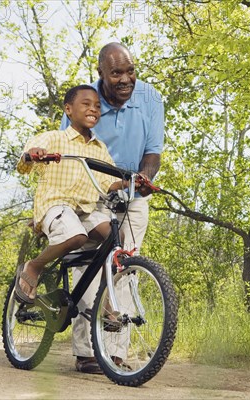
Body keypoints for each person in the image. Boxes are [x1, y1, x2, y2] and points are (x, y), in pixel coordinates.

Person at [60, 42, 165, 374]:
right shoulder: (86, 99)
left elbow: (153, 151)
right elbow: (70, 147)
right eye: (116, 72)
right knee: (89, 269)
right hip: (91, 191)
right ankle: (86, 352)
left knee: (125, 268)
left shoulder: (150, 98)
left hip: (132, 192)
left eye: (130, 71)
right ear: (101, 73)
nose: (125, 79)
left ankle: (115, 354)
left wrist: (143, 180)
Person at [14, 84, 125, 336]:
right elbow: (25, 160)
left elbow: (109, 182)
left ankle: (107, 303)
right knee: (76, 237)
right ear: (68, 109)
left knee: (116, 240)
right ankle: (34, 266)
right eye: (86, 104)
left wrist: (129, 181)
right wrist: (34, 154)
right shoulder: (55, 138)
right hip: (56, 204)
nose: (93, 109)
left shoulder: (100, 149)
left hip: (86, 209)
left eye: (97, 106)